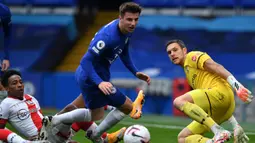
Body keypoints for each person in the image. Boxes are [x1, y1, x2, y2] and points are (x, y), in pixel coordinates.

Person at [47, 2, 151, 143]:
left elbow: (124, 51)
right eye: (129, 19)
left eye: (136, 19)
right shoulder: (108, 37)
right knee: (112, 110)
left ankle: (51, 130)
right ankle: (62, 123)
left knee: (77, 106)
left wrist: (135, 72)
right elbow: (85, 61)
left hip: (96, 74)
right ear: (120, 17)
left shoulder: (126, 31)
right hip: (91, 76)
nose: (133, 23)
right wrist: (99, 82)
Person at [0, 69, 125, 143]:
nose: (20, 85)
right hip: (38, 139)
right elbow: (0, 130)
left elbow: (41, 119)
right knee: (72, 109)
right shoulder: (6, 104)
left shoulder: (31, 98)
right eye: (14, 83)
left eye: (21, 82)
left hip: (49, 131)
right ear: (6, 88)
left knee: (77, 115)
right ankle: (112, 111)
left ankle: (106, 138)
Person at [165, 39, 253, 143]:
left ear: (184, 50)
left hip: (220, 92)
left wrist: (236, 85)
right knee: (183, 138)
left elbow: (216, 67)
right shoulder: (188, 72)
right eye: (169, 52)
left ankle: (218, 131)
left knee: (178, 101)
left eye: (175, 50)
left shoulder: (192, 56)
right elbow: (218, 104)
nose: (172, 54)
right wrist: (235, 125)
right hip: (223, 107)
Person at [0, 3, 11, 91]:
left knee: (2, 85)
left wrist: (6, 57)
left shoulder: (4, 11)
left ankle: (4, 104)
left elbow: (7, 34)